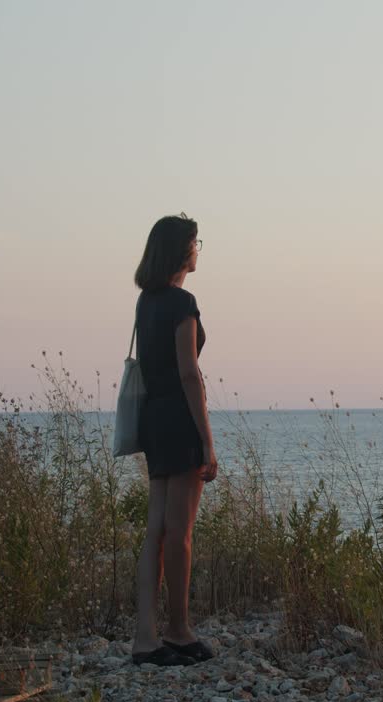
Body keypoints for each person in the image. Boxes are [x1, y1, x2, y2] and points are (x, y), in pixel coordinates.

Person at [129, 213, 219, 667]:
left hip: (153, 418)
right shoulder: (183, 302)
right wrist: (207, 440)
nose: (198, 249)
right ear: (183, 251)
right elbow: (189, 372)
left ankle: (145, 637)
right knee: (179, 534)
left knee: (156, 531)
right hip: (180, 420)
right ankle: (179, 630)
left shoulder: (146, 302)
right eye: (196, 242)